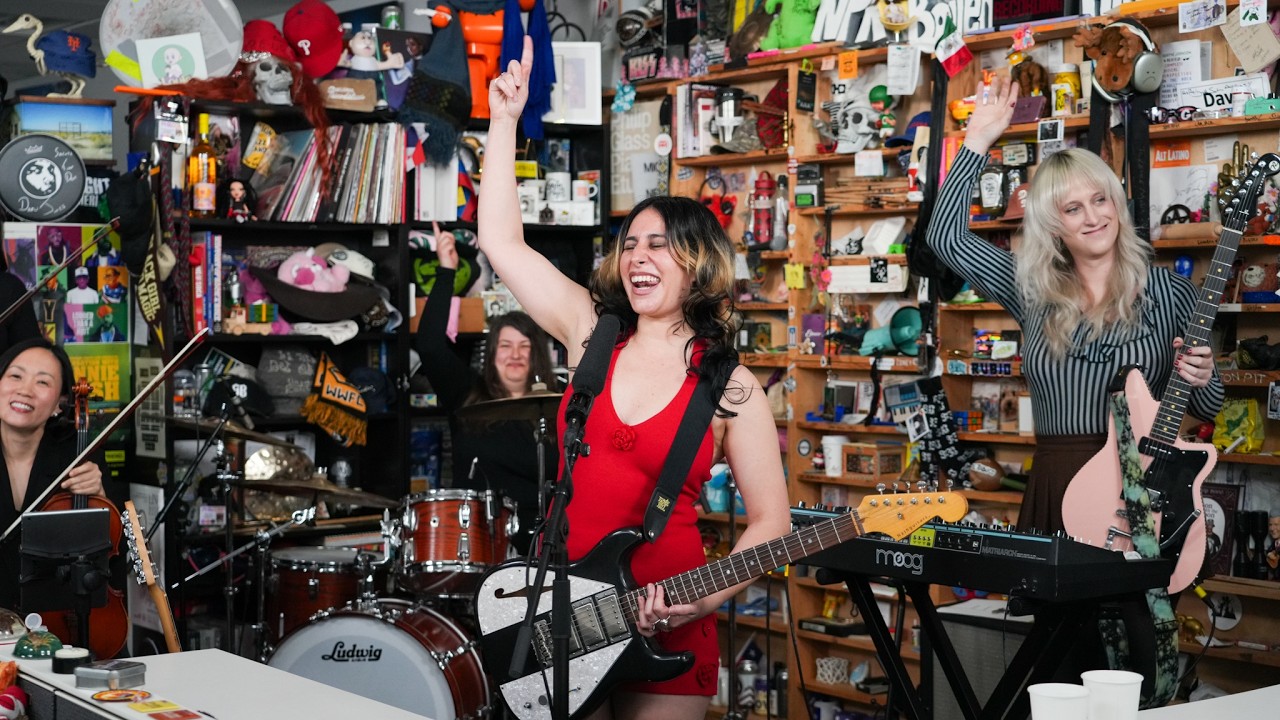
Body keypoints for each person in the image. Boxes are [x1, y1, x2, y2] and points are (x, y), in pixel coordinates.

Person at [479, 39, 791, 718]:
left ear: (697, 263)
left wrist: (703, 597)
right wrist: (503, 121)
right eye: (630, 244)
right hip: (564, 617)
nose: (638, 257)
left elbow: (772, 521)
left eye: (659, 245)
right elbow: (503, 242)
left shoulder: (731, 386)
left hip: (670, 623)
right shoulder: (590, 332)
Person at [925, 76, 1224, 533]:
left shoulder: (1171, 293)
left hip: (1140, 490)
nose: (1093, 217)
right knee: (1060, 608)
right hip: (1056, 484)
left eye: (1099, 200)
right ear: (1053, 225)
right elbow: (945, 238)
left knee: (1136, 607)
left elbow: (1208, 405)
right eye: (1072, 209)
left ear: (1116, 205)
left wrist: (1202, 375)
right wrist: (976, 142)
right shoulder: (1030, 288)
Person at [413, 223, 559, 554]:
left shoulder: (558, 407)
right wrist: (446, 270)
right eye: (505, 346)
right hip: (476, 544)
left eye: (525, 346)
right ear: (491, 355)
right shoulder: (467, 393)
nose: (516, 355)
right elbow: (431, 346)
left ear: (538, 356)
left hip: (545, 547)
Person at [0, 338, 107, 612]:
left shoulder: (78, 455)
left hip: (55, 621)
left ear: (61, 402)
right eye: (15, 376)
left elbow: (107, 558)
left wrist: (100, 497)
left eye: (43, 382)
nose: (25, 390)